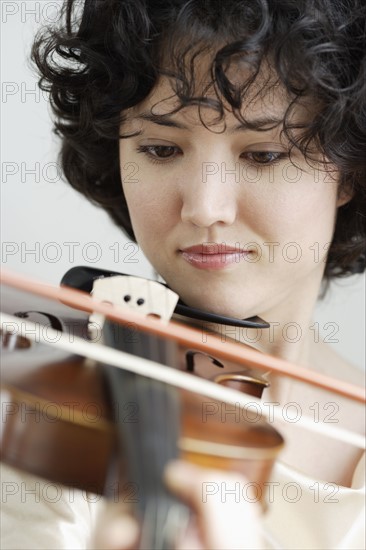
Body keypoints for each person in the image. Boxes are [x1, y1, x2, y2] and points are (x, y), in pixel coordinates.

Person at [2, 0, 365, 548]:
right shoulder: (43, 415)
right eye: (160, 148)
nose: (204, 207)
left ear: (347, 171)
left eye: (263, 154)